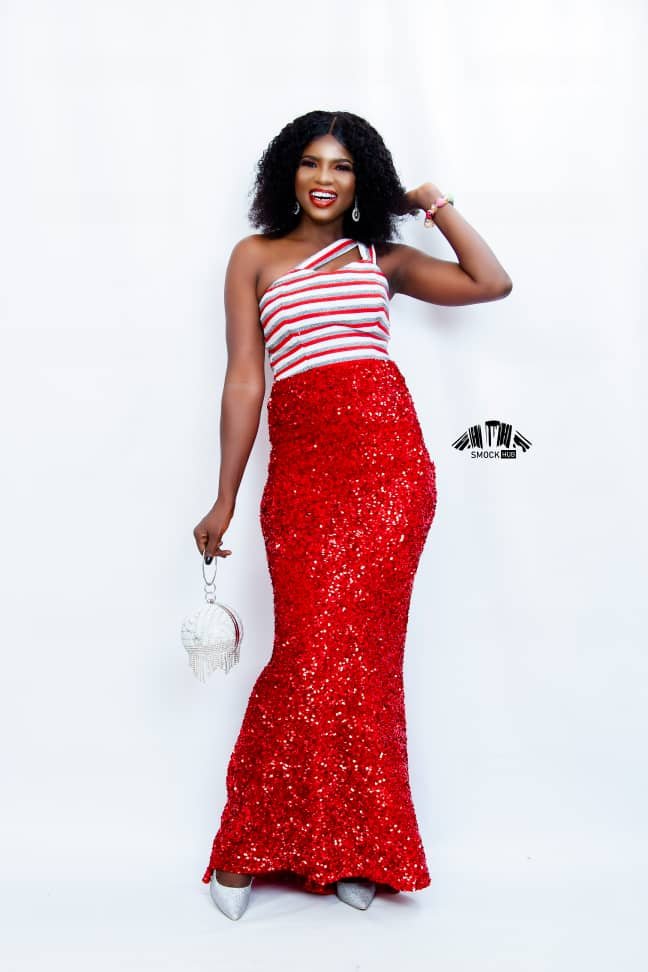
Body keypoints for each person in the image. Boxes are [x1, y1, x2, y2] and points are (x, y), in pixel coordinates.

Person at [193, 110, 512, 920]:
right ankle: (250, 843)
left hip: (387, 472)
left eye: (342, 165)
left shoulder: (381, 259)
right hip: (302, 475)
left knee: (363, 664)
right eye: (311, 163)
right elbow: (244, 381)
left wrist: (431, 201)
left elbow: (490, 282)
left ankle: (358, 847)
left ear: (362, 178)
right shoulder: (254, 257)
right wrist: (226, 495)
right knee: (308, 657)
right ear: (288, 173)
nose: (324, 178)